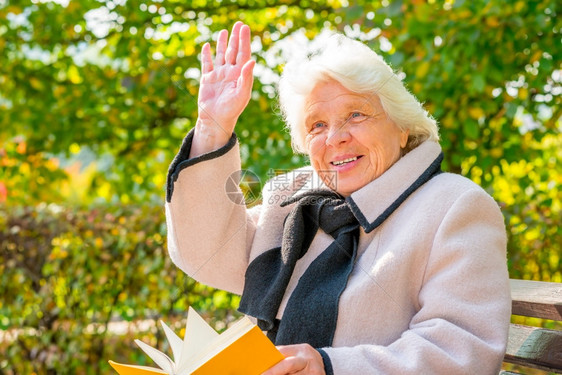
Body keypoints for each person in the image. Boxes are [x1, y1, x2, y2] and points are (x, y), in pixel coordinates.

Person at [165, 22, 511, 374]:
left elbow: (462, 348)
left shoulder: (456, 205)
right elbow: (208, 257)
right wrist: (212, 128)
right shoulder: (292, 198)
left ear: (403, 126)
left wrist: (330, 367)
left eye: (356, 114)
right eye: (316, 125)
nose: (335, 138)